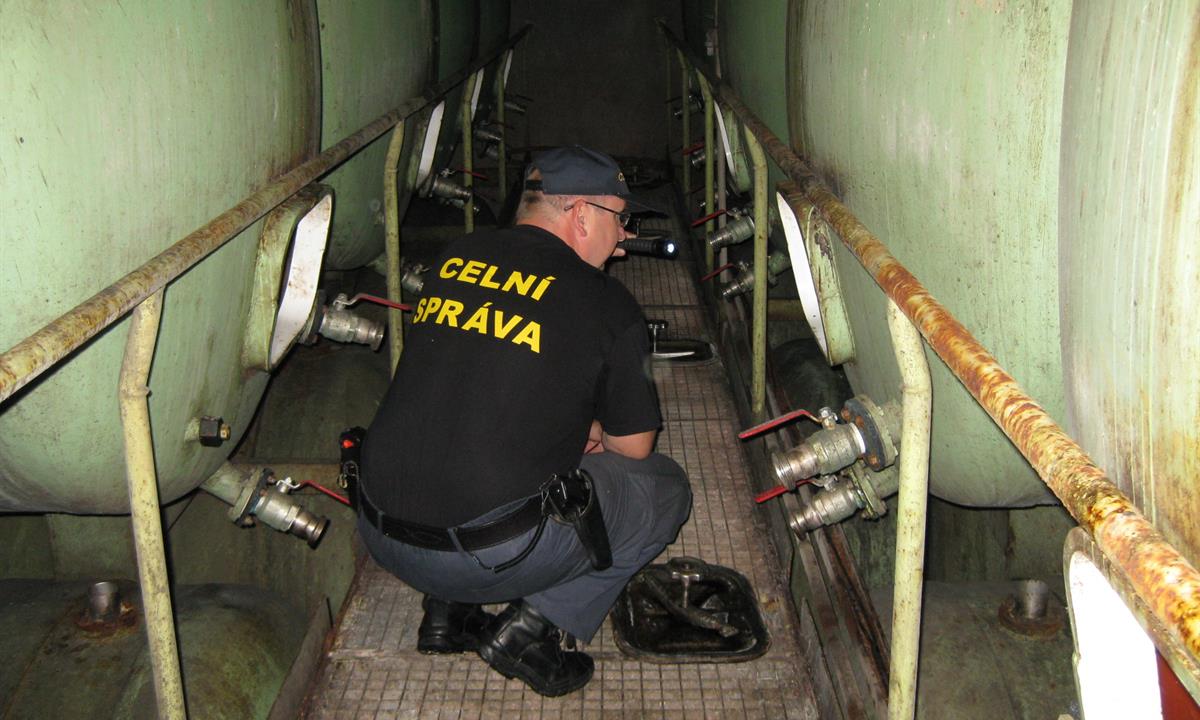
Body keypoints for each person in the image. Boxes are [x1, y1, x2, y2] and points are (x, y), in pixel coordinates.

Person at [357, 145, 692, 697]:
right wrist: (592, 433)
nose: (625, 237)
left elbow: (469, 380)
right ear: (581, 215)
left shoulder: (455, 256)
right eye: (620, 219)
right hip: (486, 554)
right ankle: (532, 629)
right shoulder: (607, 303)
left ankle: (446, 614)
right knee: (664, 489)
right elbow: (634, 448)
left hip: (379, 530)